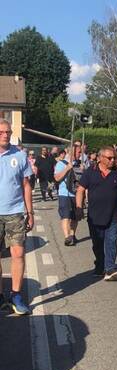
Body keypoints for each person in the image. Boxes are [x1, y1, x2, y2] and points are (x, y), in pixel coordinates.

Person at [76, 146, 117, 281]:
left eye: (114, 158)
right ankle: (100, 264)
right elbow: (81, 190)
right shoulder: (91, 172)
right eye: (109, 158)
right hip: (95, 216)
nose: (113, 160)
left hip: (114, 215)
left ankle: (110, 268)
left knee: (111, 241)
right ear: (100, 158)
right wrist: (79, 208)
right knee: (97, 243)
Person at [0, 119, 34, 315]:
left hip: (15, 212)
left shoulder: (20, 155)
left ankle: (16, 295)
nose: (5, 135)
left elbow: (26, 185)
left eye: (8, 132)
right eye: (2, 132)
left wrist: (30, 212)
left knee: (18, 254)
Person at [54, 148, 80, 246]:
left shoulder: (80, 164)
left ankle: (72, 235)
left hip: (76, 193)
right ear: (70, 152)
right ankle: (67, 237)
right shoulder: (61, 164)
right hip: (64, 193)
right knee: (65, 216)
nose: (79, 154)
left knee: (75, 217)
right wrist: (67, 168)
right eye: (78, 152)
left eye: (80, 152)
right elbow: (57, 178)